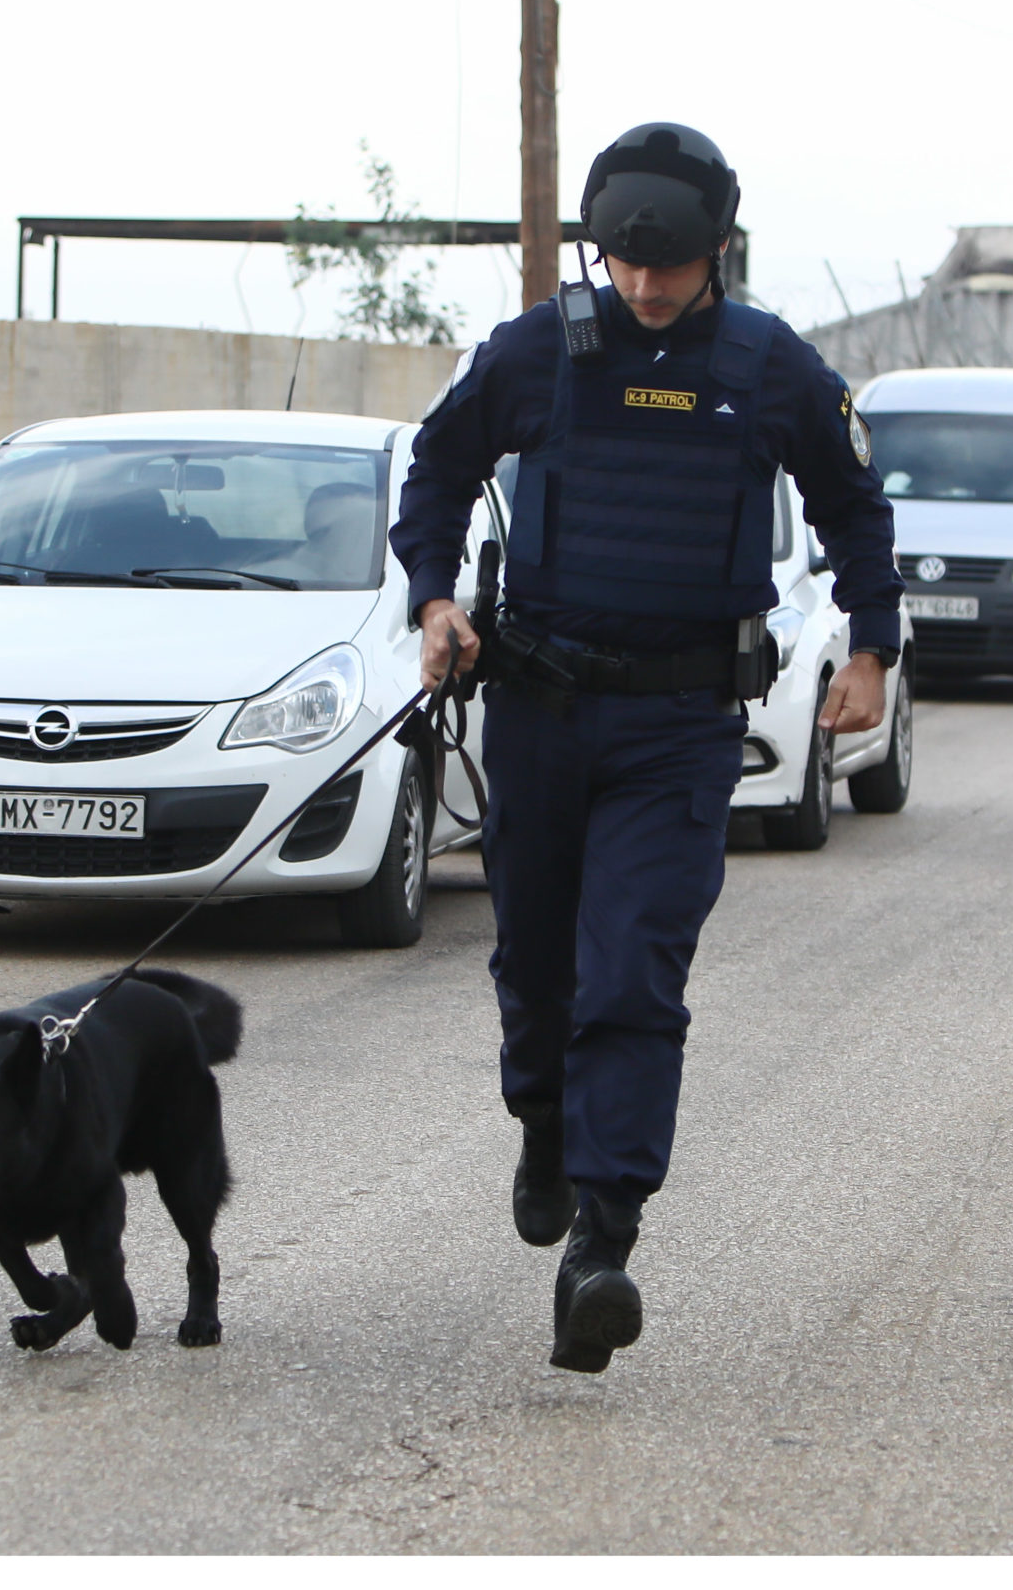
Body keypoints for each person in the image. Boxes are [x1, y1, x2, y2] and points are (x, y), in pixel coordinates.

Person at [390, 122, 903, 1372]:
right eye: (621, 263)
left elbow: (852, 507)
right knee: (537, 967)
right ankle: (542, 1122)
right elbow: (439, 466)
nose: (642, 286)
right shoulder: (537, 351)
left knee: (634, 974)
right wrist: (434, 597)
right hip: (541, 715)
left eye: (665, 267)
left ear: (716, 248)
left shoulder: (766, 364)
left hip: (679, 728)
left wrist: (872, 648)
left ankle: (603, 1240)